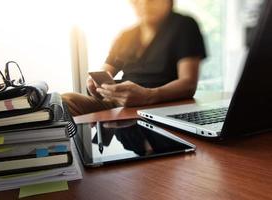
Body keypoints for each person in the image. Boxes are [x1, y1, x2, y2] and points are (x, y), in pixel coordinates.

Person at [62, 0, 206, 116]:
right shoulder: (126, 36)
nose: (143, 4)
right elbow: (106, 70)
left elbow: (188, 84)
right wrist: (96, 84)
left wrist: (149, 95)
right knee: (64, 102)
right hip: (119, 100)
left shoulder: (184, 26)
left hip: (162, 103)